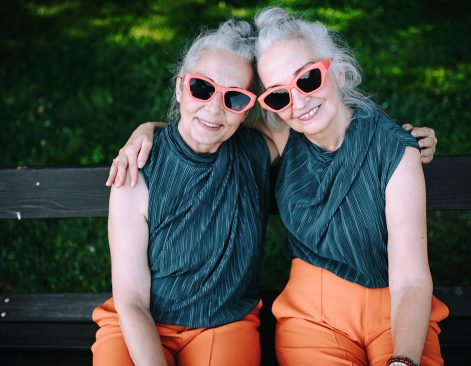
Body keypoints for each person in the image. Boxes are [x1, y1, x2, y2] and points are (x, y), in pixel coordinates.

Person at [107, 7, 445, 366]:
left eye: (309, 79)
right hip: (307, 315)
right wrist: (149, 129)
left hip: (380, 313)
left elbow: (410, 279)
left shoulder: (288, 141)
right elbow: (197, 131)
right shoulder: (142, 168)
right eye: (279, 96)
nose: (298, 102)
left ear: (339, 70)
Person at [92, 19, 279, 366]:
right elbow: (131, 299)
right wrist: (147, 131)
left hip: (224, 323)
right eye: (202, 88)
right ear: (180, 89)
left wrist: (395, 138)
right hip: (138, 320)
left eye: (235, 97)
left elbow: (317, 115)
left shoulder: (256, 149)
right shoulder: (139, 167)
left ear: (249, 107)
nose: (214, 108)